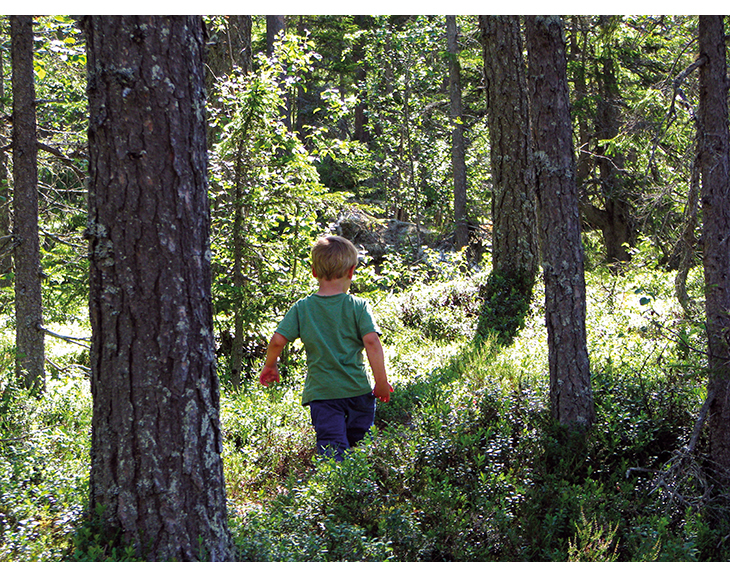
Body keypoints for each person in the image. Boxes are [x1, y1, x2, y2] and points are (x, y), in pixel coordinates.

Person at [259, 235, 392, 461]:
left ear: (313, 271)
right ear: (351, 272)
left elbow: (277, 341)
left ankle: (334, 489)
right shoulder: (358, 306)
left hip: (323, 396)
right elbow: (372, 342)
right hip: (358, 391)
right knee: (361, 446)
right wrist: (380, 382)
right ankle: (359, 489)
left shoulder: (302, 308)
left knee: (331, 448)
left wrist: (270, 365)